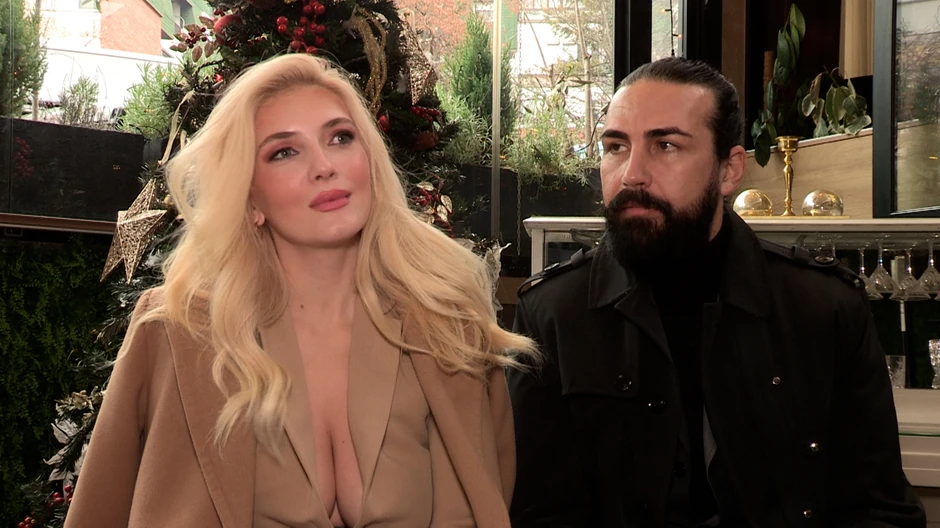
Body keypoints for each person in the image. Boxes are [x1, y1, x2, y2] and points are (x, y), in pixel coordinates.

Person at [65, 53, 536, 527]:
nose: (324, 166)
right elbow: (97, 511)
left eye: (340, 138)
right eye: (284, 152)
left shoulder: (449, 324)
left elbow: (489, 496)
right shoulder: (177, 330)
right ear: (250, 198)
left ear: (370, 163)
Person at [507, 57, 926, 528]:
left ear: (729, 170)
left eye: (666, 145)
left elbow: (879, 508)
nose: (631, 174)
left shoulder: (823, 308)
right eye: (616, 147)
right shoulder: (552, 314)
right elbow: (535, 513)